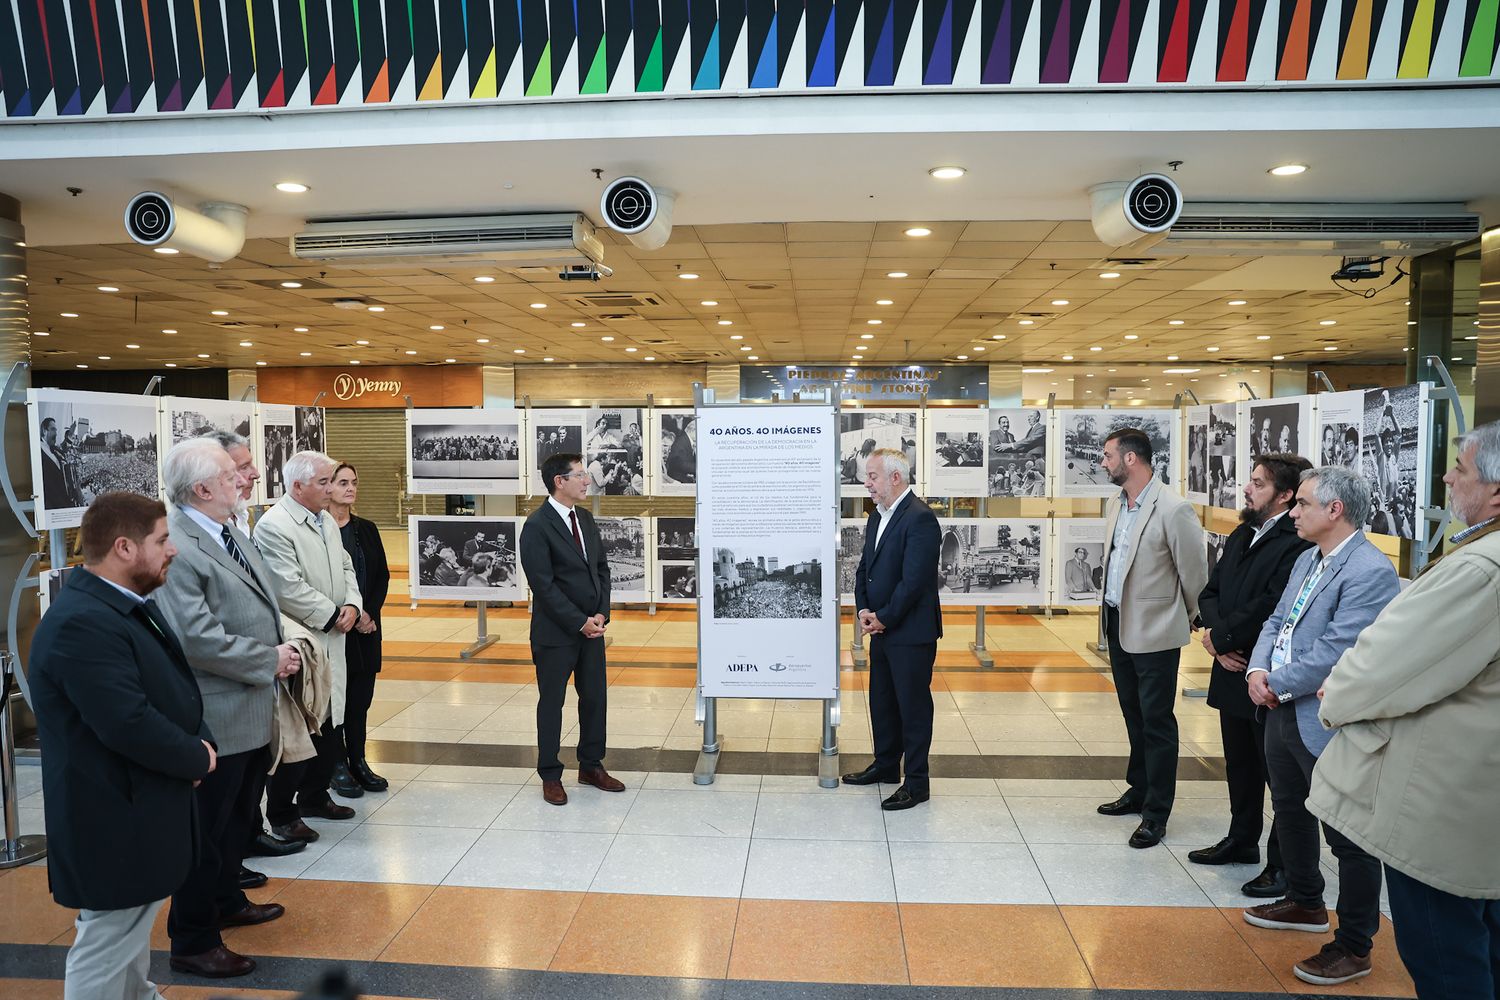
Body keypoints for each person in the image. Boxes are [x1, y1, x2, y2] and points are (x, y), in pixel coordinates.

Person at [1309, 421, 1500, 996]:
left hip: (1441, 806)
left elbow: (1386, 666)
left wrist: (1336, 695)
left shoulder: (1479, 569)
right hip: (1476, 798)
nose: (1446, 476)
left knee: (1446, 958)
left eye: (1460, 469)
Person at [29, 492, 217, 1000]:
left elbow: (159, 690)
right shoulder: (82, 622)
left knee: (129, 927)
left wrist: (194, 739)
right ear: (124, 548)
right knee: (107, 938)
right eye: (161, 540)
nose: (172, 550)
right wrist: (194, 756)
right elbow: (126, 722)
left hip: (135, 805)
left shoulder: (118, 604)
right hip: (110, 814)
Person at [1240, 465, 1399, 987]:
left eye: (1303, 503)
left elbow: (1338, 651)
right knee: (1288, 809)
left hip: (1322, 714)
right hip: (1282, 704)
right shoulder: (1310, 557)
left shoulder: (1369, 570)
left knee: (1346, 836)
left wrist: (1276, 682)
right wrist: (1260, 671)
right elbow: (1276, 620)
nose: (1294, 511)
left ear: (1335, 510)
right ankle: (1306, 902)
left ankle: (1354, 945)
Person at [152, 439, 300, 978]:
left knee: (238, 818)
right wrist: (270, 659)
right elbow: (197, 639)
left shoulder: (230, 530)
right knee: (204, 834)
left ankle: (226, 901)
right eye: (231, 471)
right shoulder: (180, 545)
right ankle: (192, 938)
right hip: (215, 713)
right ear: (202, 488)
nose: (246, 476)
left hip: (251, 708)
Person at [1189, 453, 1313, 899]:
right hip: (1232, 666)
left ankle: (1282, 865)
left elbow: (1271, 606)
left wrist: (1224, 640)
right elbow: (1212, 588)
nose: (1246, 488)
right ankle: (1242, 840)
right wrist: (1216, 639)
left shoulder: (1297, 543)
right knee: (1240, 764)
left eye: (1258, 484)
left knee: (1279, 773)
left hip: (1263, 671)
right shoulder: (1243, 532)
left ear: (1285, 495)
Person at [1094, 428, 1208, 848]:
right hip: (1118, 622)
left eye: (1107, 456)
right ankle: (1138, 789)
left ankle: (1157, 812)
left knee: (1157, 720)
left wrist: (1199, 618)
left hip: (1157, 629)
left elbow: (1193, 571)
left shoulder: (1173, 508)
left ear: (1130, 460)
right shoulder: (1114, 504)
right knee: (1132, 713)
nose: (1102, 462)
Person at [253, 450, 364, 841]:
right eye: (324, 482)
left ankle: (316, 796)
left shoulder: (325, 520)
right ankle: (284, 811)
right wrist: (333, 614)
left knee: (330, 721)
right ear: (297, 485)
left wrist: (352, 604)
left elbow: (347, 566)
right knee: (299, 729)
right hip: (305, 639)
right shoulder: (275, 526)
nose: (332, 488)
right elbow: (285, 587)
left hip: (334, 634)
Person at [519, 451, 622, 805]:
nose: (587, 479)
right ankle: (550, 773)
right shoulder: (536, 526)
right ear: (558, 481)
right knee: (553, 702)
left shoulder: (587, 520)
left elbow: (602, 570)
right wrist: (579, 621)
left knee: (594, 698)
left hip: (591, 630)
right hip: (556, 633)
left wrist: (600, 615)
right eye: (579, 474)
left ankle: (591, 765)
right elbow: (543, 586)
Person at [844, 447, 942, 811]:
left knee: (913, 708)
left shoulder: (920, 518)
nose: (866, 483)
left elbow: (914, 581)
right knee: (883, 702)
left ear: (895, 478)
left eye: (872, 476)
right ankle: (886, 766)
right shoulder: (877, 517)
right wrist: (865, 610)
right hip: (881, 628)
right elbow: (863, 569)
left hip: (911, 632)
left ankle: (916, 783)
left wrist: (883, 616)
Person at [328, 462, 391, 794]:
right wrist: (344, 615)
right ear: (328, 488)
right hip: (332, 629)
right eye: (342, 483)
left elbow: (381, 575)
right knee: (333, 700)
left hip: (366, 630)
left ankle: (359, 761)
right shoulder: (319, 529)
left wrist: (368, 613)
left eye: (354, 482)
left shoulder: (366, 528)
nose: (350, 488)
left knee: (359, 700)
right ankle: (336, 765)